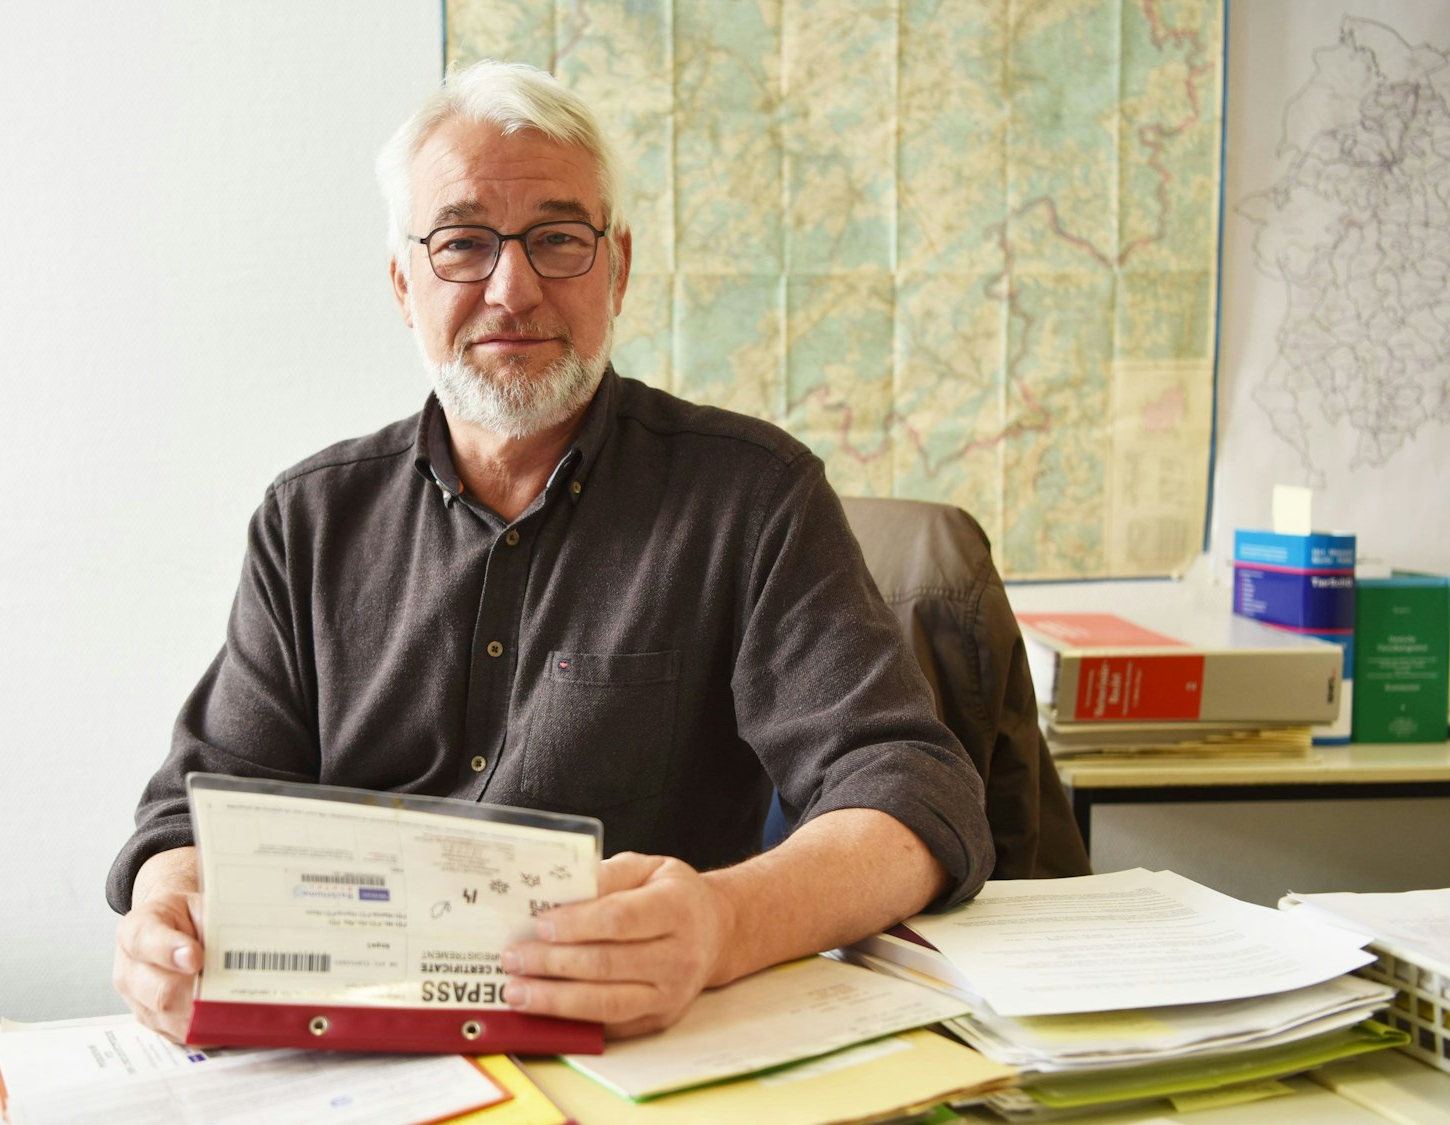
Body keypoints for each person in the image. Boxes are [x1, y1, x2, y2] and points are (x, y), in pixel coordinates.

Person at [108, 60, 994, 1043]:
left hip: (637, 1054)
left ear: (615, 270)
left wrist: (722, 925)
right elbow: (194, 810)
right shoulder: (309, 519)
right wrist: (172, 909)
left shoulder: (751, 496)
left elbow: (912, 791)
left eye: (558, 241)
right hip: (359, 1055)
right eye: (462, 244)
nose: (512, 287)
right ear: (404, 284)